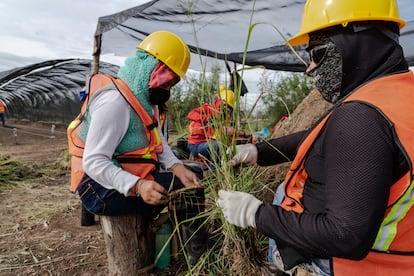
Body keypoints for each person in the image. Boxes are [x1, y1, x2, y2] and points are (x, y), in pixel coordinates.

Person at [217, 0, 414, 275]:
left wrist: (256, 214)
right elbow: (321, 138)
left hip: (338, 266)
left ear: (353, 42)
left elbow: (346, 236)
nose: (310, 68)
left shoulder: (361, 117)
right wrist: (258, 151)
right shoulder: (395, 95)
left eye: (317, 54)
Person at [73, 31, 206, 266]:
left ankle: (189, 250)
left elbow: (157, 139)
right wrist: (138, 186)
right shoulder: (115, 102)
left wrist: (176, 166)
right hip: (97, 189)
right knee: (189, 192)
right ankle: (197, 259)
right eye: (165, 78)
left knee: (192, 176)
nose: (167, 87)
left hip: (123, 175)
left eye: (172, 83)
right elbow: (94, 162)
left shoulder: (144, 100)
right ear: (148, 66)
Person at [186, 86, 250, 164]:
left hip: (209, 144)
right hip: (196, 145)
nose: (225, 108)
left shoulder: (223, 119)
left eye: (228, 108)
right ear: (218, 101)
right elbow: (191, 114)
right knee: (218, 145)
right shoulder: (208, 109)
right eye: (224, 104)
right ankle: (213, 172)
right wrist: (208, 119)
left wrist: (242, 136)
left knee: (225, 146)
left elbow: (227, 132)